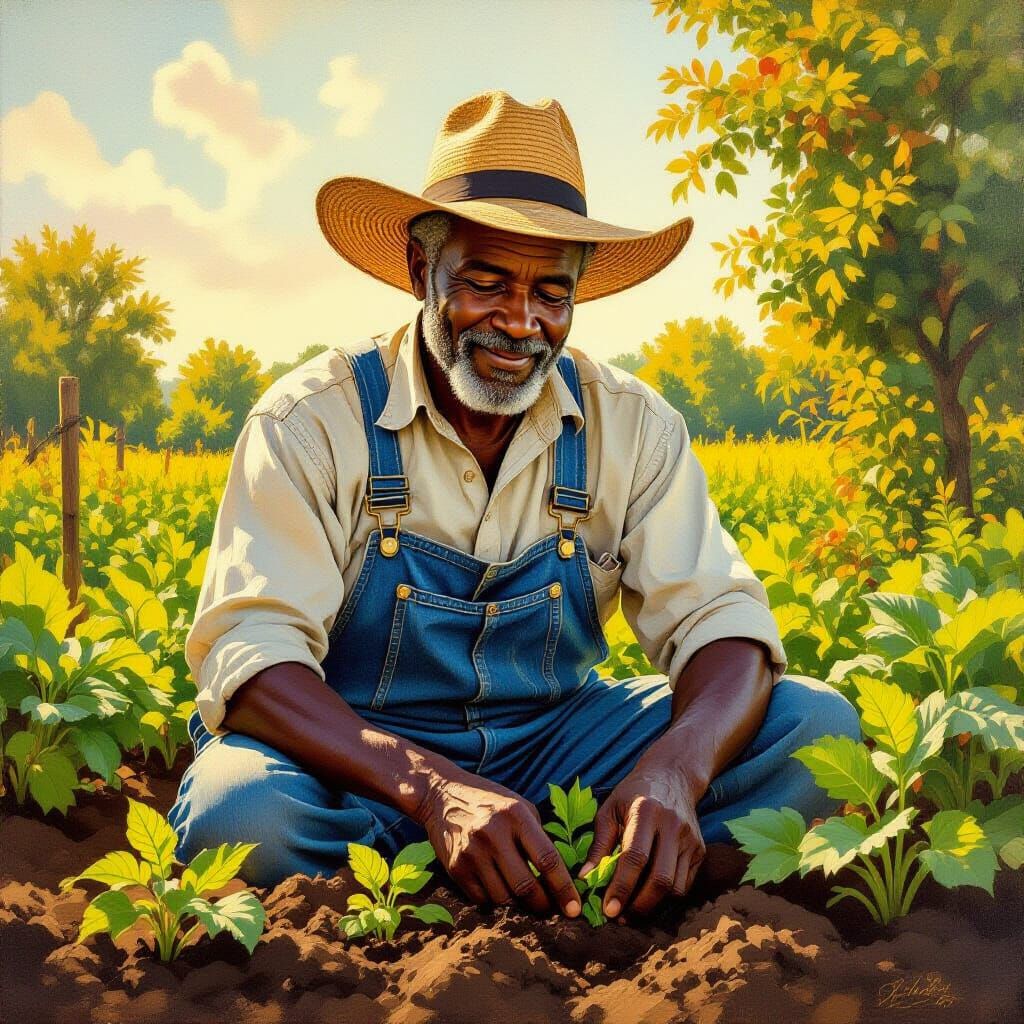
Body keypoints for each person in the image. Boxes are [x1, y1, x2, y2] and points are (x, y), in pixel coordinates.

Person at [167, 90, 860, 921]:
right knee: (241, 816)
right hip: (357, 769)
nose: (521, 323)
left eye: (551, 294)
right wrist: (433, 789)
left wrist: (674, 771)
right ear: (421, 270)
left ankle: (616, 874)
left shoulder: (630, 426)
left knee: (815, 729)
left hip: (558, 751)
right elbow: (251, 661)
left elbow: (722, 623)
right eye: (486, 284)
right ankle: (440, 893)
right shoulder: (310, 422)